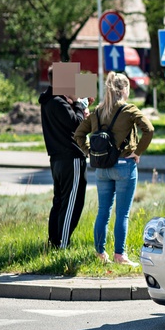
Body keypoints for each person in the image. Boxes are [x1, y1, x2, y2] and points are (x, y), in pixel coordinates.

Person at [75, 72, 154, 266]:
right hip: (123, 166)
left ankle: (100, 254)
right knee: (123, 214)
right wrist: (138, 152)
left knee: (103, 211)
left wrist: (89, 152)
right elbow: (149, 129)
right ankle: (120, 255)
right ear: (124, 89)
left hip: (101, 167)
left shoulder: (98, 111)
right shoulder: (129, 110)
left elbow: (78, 134)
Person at [39, 66, 92, 249]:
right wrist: (78, 104)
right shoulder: (58, 102)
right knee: (72, 203)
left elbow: (69, 122)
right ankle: (63, 244)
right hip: (71, 158)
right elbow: (76, 124)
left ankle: (54, 242)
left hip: (57, 159)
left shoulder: (49, 100)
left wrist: (78, 106)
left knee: (60, 201)